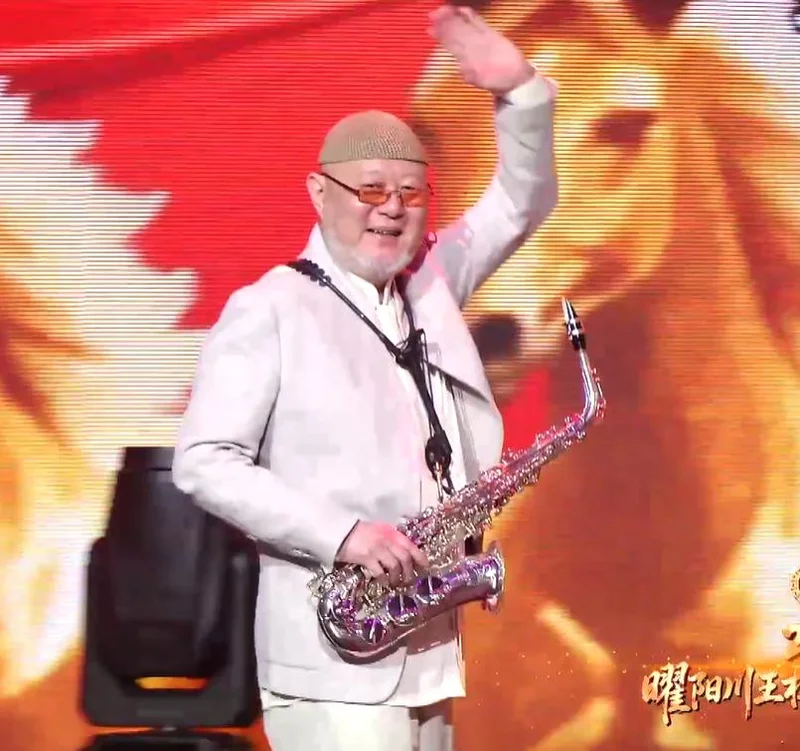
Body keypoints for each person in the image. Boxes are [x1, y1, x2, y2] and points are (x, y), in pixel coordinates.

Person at [172, 5, 558, 750]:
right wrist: (341, 534)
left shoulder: (430, 281)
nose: (394, 210)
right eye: (371, 189)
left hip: (428, 649)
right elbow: (204, 461)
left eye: (412, 192)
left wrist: (521, 94)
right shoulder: (269, 307)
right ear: (320, 193)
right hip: (329, 658)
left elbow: (521, 201)